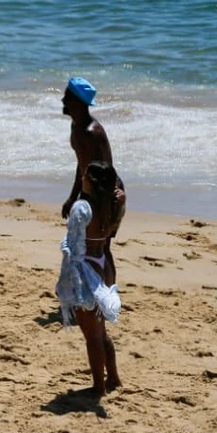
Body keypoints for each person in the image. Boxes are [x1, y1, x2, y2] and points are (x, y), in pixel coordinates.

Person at [56, 160, 123, 397]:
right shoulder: (113, 206)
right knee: (101, 329)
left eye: (84, 176)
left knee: (92, 335)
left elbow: (73, 244)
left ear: (92, 182)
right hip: (104, 263)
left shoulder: (82, 207)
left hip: (86, 270)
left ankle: (98, 387)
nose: (80, 179)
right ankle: (113, 377)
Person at [61, 76, 125, 283]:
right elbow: (82, 166)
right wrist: (73, 198)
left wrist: (111, 200)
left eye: (67, 97)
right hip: (92, 189)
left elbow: (99, 170)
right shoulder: (76, 127)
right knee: (90, 244)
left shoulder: (90, 132)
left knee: (102, 246)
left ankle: (109, 294)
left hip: (107, 192)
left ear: (78, 103)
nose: (63, 101)